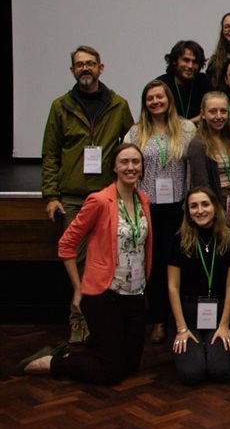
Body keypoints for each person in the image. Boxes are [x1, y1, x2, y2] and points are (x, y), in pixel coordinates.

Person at [19, 144, 152, 383]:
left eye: (135, 162)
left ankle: (96, 345)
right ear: (114, 167)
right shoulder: (100, 201)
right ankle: (55, 362)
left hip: (135, 293)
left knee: (130, 366)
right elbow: (66, 244)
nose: (130, 167)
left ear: (142, 167)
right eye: (124, 162)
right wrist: (79, 289)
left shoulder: (144, 201)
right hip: (104, 293)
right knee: (111, 373)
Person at [42, 45, 134, 344]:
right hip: (73, 196)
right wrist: (50, 195)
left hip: (108, 196)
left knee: (110, 258)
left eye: (90, 64)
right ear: (72, 71)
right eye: (79, 65)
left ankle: (106, 320)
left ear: (101, 68)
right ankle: (80, 321)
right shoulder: (60, 106)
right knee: (79, 260)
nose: (85, 69)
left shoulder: (118, 105)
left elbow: (130, 146)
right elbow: (51, 152)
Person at [123, 80, 196, 344]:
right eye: (150, 98)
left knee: (176, 262)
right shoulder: (135, 133)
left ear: (168, 100)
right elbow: (127, 169)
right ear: (145, 103)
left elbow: (193, 166)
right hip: (147, 207)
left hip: (179, 207)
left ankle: (178, 319)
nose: (155, 102)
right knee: (152, 265)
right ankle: (156, 319)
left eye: (160, 97)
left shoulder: (187, 128)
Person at [166, 188, 230, 384]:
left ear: (215, 208)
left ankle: (209, 347)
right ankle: (198, 348)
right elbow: (173, 286)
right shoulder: (178, 240)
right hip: (187, 313)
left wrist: (224, 325)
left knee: (221, 372)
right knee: (192, 374)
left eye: (205, 204)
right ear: (188, 212)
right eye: (194, 206)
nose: (200, 210)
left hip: (219, 313)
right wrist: (181, 328)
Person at [187, 91, 230, 226]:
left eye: (223, 111)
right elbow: (202, 186)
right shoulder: (198, 145)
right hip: (213, 207)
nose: (219, 116)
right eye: (213, 112)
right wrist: (219, 215)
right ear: (203, 114)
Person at [156, 40, 213, 121]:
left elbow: (213, 111)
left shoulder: (204, 81)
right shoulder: (162, 84)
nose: (190, 66)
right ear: (174, 61)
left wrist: (188, 125)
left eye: (195, 62)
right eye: (186, 60)